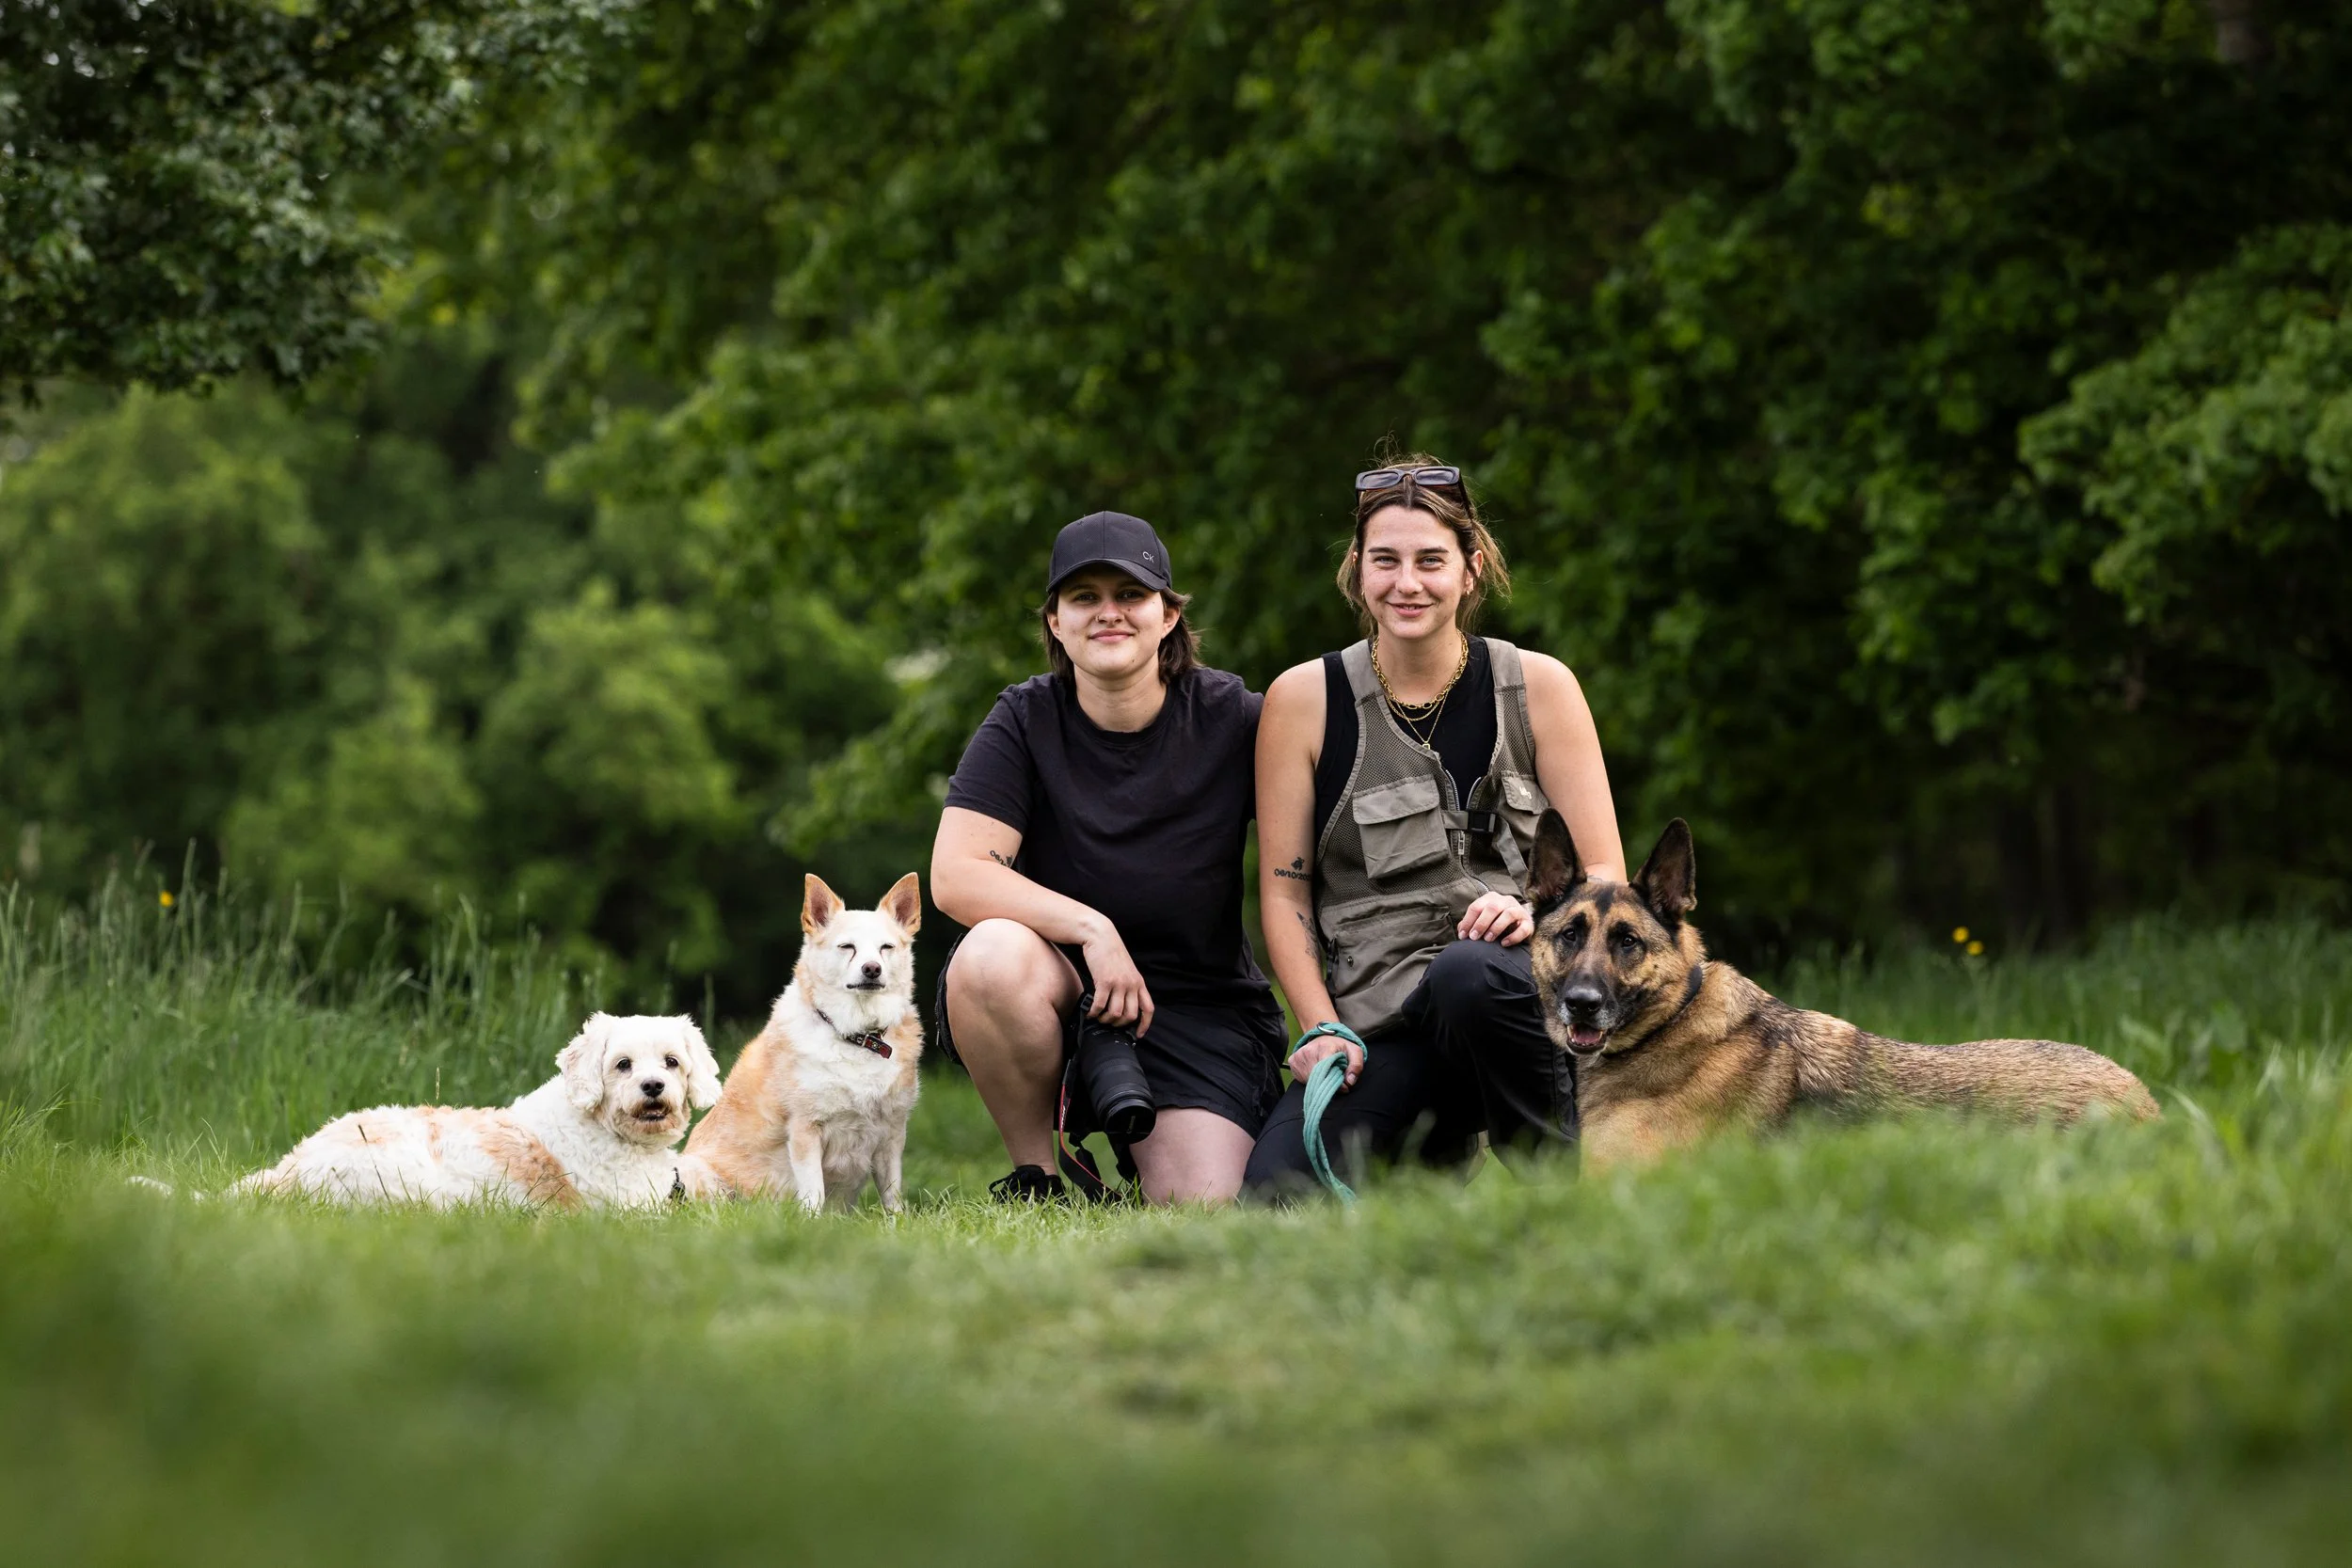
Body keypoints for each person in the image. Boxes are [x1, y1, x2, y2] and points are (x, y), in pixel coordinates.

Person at [1244, 457, 1627, 1194]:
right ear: (1357, 569)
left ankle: (1568, 1185)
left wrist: (1528, 911)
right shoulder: (1303, 700)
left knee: (1468, 972)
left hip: (1520, 1004)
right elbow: (1285, 894)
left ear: (1471, 569)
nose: (1407, 583)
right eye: (1384, 560)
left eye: (1431, 560)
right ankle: (1437, 1148)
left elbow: (1606, 875)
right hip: (1382, 1022)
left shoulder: (1542, 686)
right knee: (1276, 1193)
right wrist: (1320, 1026)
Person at [930, 511, 1286, 1205]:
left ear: (1168, 616)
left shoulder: (1236, 716)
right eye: (1084, 598)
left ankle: (1146, 1150)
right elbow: (956, 873)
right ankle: (1038, 1177)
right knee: (989, 956)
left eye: (1130, 595)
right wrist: (1093, 930)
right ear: (1056, 623)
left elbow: (1314, 859)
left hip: (1199, 1005)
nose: (1109, 613)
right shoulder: (1024, 718)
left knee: (1202, 1201)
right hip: (1068, 987)